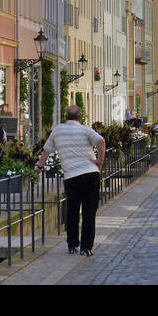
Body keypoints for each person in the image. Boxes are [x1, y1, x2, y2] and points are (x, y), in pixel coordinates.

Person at [37, 105, 105, 255]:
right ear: (80, 118)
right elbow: (101, 142)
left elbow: (46, 151)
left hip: (72, 177)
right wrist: (100, 161)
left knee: (72, 211)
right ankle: (86, 248)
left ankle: (73, 244)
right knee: (89, 212)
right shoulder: (85, 130)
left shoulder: (58, 130)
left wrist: (39, 167)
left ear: (65, 117)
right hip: (90, 174)